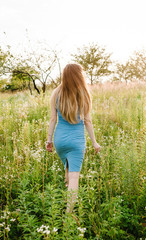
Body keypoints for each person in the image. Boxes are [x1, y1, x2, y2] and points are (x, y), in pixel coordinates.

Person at [45, 63, 101, 213]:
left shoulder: (56, 93)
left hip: (60, 141)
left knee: (68, 168)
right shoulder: (84, 94)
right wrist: (95, 142)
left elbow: (52, 119)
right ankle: (68, 215)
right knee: (74, 178)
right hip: (76, 142)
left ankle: (66, 197)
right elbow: (87, 121)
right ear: (79, 76)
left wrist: (49, 140)